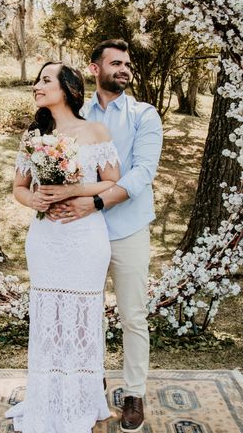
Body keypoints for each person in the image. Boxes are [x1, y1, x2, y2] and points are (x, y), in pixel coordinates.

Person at [48, 39, 164, 432]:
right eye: (116, 63)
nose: (125, 69)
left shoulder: (144, 115)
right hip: (83, 233)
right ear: (95, 69)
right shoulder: (77, 116)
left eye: (128, 64)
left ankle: (134, 392)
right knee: (86, 313)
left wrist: (96, 204)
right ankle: (91, 384)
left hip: (127, 228)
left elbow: (142, 173)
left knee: (133, 314)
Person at [5, 61, 121, 432]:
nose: (38, 86)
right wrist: (34, 201)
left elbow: (111, 182)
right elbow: (19, 188)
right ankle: (48, 399)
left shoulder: (95, 131)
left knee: (83, 320)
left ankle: (82, 400)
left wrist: (74, 190)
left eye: (45, 80)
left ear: (68, 89)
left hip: (85, 238)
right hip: (46, 239)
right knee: (49, 319)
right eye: (38, 81)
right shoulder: (34, 135)